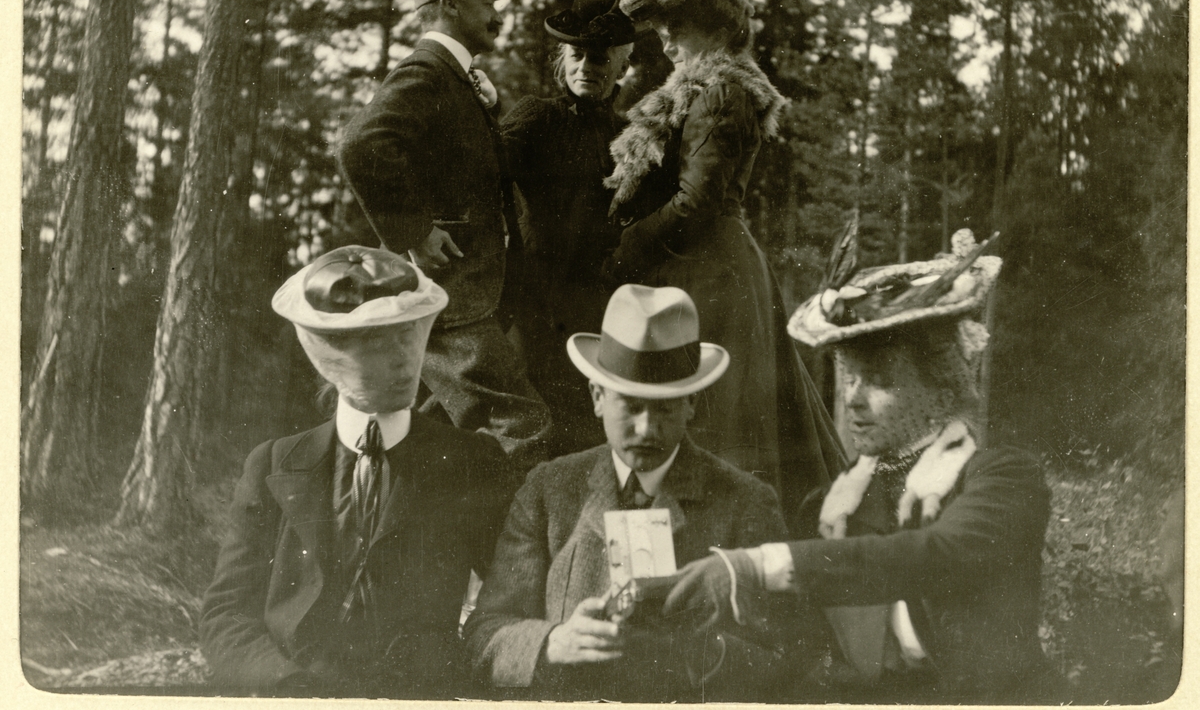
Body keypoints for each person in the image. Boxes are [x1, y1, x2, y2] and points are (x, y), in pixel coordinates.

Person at [662, 236, 1055, 702]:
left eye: (880, 381)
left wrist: (758, 564)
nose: (853, 399)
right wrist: (698, 650)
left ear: (941, 388)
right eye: (850, 377)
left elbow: (937, 554)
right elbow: (799, 659)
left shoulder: (1002, 478)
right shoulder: (831, 507)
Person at [200, 246, 516, 698]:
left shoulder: (470, 462)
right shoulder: (273, 463)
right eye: (372, 341)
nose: (398, 357)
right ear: (329, 351)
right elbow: (226, 614)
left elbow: (509, 603)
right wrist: (287, 686)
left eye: (405, 336)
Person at [464, 284, 793, 702]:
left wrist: (700, 655)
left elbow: (789, 658)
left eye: (667, 408)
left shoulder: (745, 503)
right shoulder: (549, 492)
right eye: (631, 405)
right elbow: (482, 633)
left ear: (692, 403)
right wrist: (552, 642)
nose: (646, 428)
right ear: (597, 397)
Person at [609, 0, 844, 527]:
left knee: (716, 414)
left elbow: (697, 203)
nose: (665, 42)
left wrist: (625, 248)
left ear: (709, 27)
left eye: (676, 28)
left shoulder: (721, 90)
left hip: (707, 269)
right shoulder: (703, 86)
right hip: (704, 261)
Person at [338, 0, 550, 469]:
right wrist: (415, 231)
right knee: (522, 427)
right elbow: (362, 144)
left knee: (429, 425)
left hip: (465, 288)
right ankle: (511, 545)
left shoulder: (458, 78)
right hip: (450, 290)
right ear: (450, 5)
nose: (499, 14)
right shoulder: (427, 69)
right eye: (488, 2)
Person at [500, 0, 636, 455]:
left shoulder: (628, 135)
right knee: (530, 425)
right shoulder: (536, 117)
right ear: (563, 60)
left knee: (589, 427)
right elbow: (482, 172)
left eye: (599, 59)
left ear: (621, 66)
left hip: (598, 304)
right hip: (534, 302)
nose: (586, 68)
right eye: (577, 56)